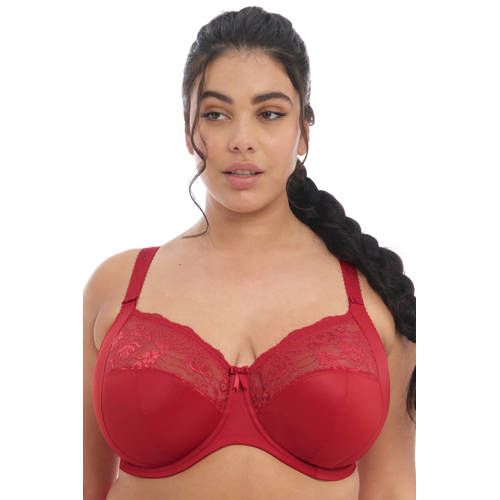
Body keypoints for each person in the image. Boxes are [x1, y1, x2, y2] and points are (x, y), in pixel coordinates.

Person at [83, 6, 416, 500]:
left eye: (269, 114)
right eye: (216, 115)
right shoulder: (115, 287)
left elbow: (391, 488)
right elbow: (86, 484)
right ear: (188, 129)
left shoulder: (376, 294)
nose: (242, 141)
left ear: (304, 130)